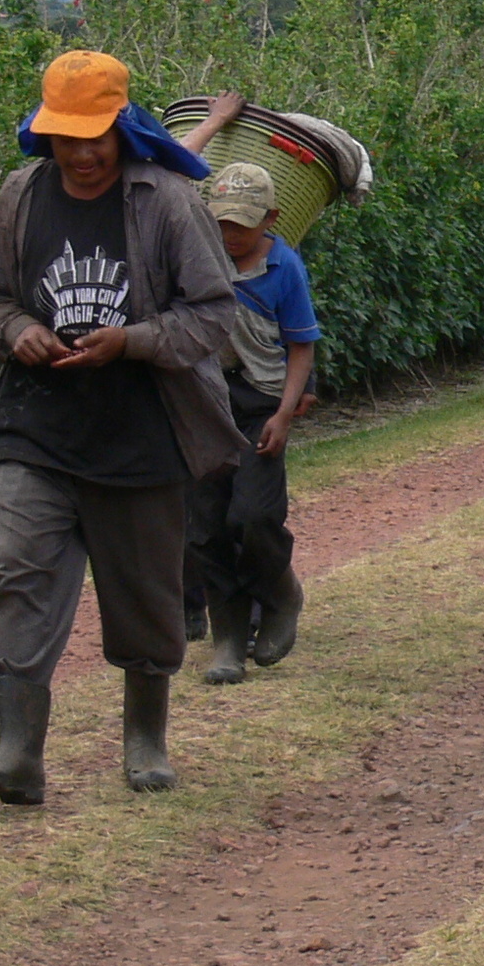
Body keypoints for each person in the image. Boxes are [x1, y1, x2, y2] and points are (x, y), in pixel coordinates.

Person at [0, 51, 243, 806]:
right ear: (45, 133)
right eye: (66, 137)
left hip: (143, 435)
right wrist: (14, 328)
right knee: (21, 577)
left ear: (121, 125)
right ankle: (17, 755)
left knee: (145, 595)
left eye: (96, 137)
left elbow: (214, 315)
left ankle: (145, 738)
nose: (82, 154)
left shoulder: (169, 200)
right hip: (38, 430)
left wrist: (135, 341)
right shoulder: (21, 194)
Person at [180, 147, 321, 686]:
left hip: (261, 402)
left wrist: (285, 414)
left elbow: (301, 344)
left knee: (254, 516)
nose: (230, 236)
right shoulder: (199, 257)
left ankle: (281, 591)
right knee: (206, 526)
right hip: (206, 404)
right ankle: (229, 638)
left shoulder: (283, 267)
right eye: (221, 225)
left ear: (270, 220)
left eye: (242, 226)